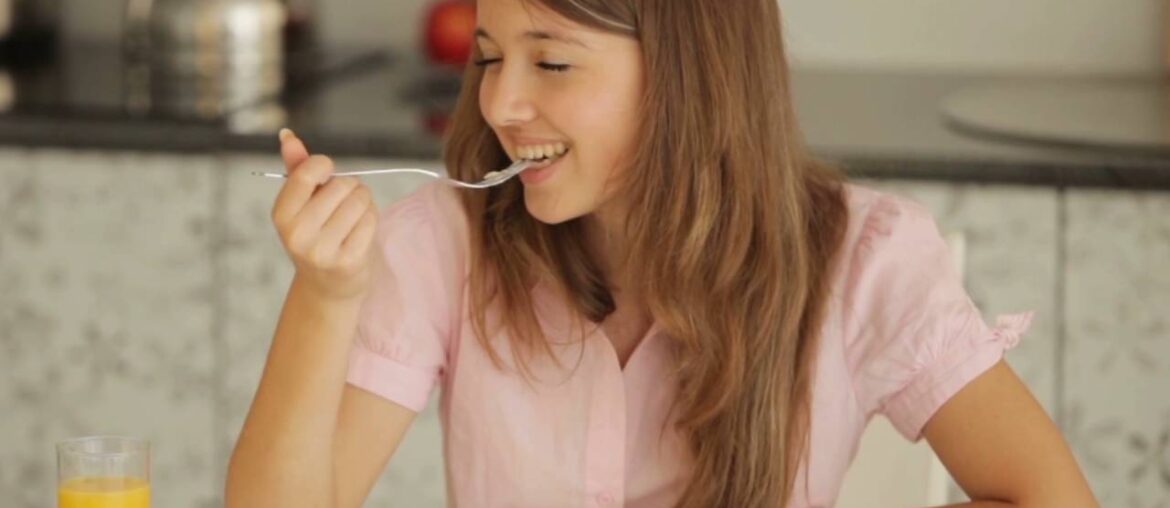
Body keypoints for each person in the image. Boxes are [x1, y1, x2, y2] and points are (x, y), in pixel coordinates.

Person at [224, 0, 1099, 506]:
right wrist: (326, 298)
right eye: (489, 58)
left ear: (690, 74)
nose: (503, 104)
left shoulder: (862, 261)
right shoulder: (446, 245)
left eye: (553, 64)